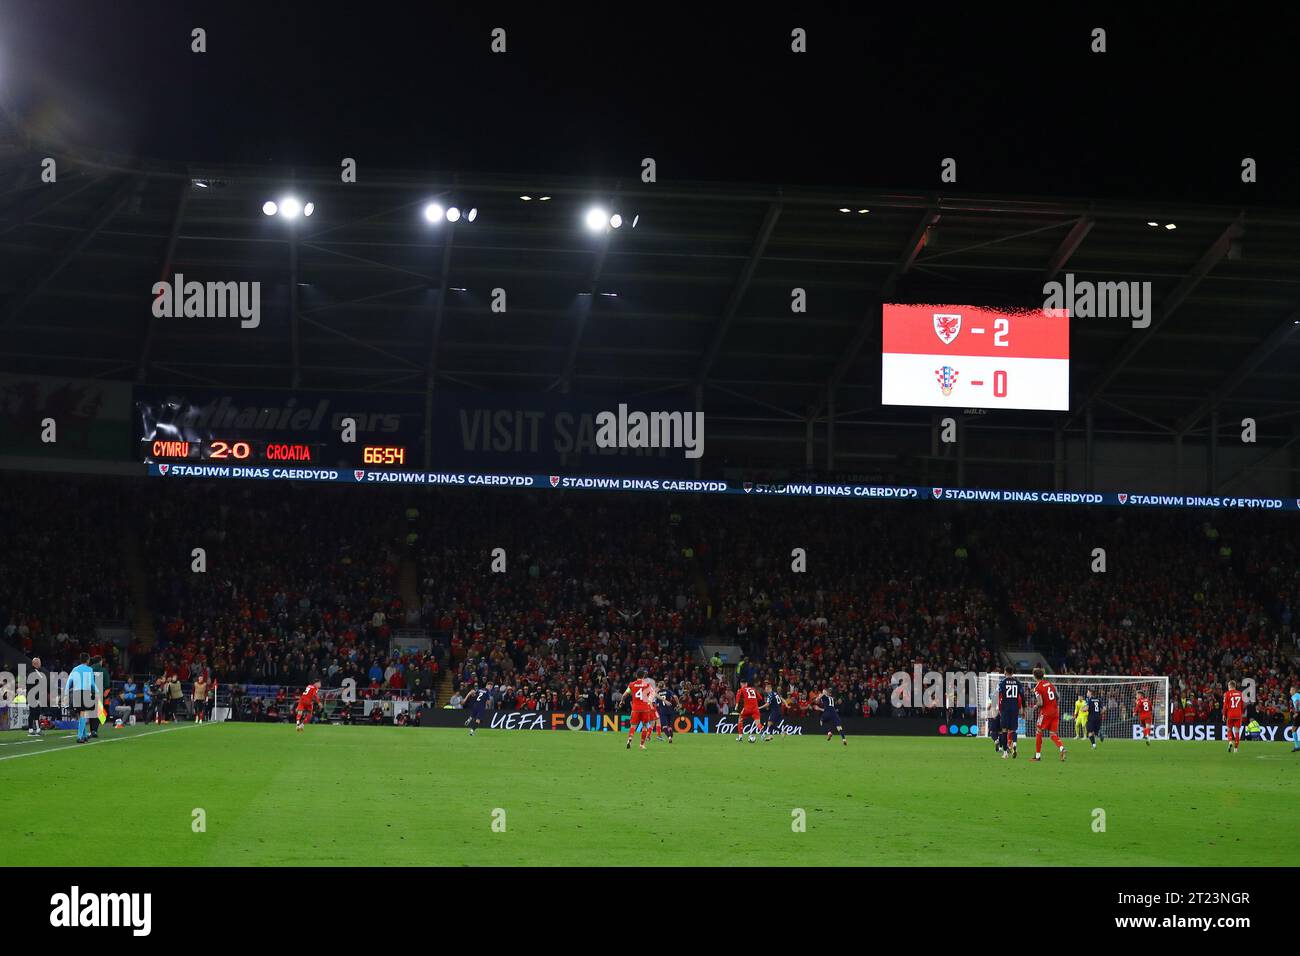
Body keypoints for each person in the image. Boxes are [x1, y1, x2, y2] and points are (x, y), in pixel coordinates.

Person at [1029, 666, 1066, 762]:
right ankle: (1062, 748)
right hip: (1055, 711)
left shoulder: (1037, 687)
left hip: (1046, 712)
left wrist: (1035, 706)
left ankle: (1037, 756)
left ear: (1034, 676)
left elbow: (1040, 702)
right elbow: (1057, 697)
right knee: (1052, 733)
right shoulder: (1049, 684)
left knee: (1038, 731)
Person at [64, 653, 97, 744]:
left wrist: (66, 695)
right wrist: (97, 692)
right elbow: (92, 684)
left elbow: (68, 683)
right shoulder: (89, 669)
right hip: (85, 692)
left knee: (80, 714)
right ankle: (79, 737)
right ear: (88, 660)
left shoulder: (75, 669)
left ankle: (85, 735)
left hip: (75, 693)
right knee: (83, 714)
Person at [620, 670, 657, 750]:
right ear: (643, 676)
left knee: (633, 726)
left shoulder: (632, 684)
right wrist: (649, 700)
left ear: (636, 675)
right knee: (644, 726)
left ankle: (630, 739)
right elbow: (653, 693)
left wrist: (621, 701)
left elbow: (624, 695)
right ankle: (641, 745)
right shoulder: (647, 684)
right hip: (645, 708)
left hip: (635, 709)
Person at [995, 666, 1023, 759]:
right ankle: (1014, 745)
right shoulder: (1018, 683)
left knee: (1004, 730)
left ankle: (1005, 753)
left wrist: (998, 709)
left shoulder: (1002, 683)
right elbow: (1022, 697)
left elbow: (998, 697)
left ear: (1005, 672)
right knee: (1013, 730)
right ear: (1013, 672)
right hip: (1015, 708)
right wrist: (1023, 709)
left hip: (1005, 709)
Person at [1222, 680, 1245, 754]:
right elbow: (1242, 705)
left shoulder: (1227, 694)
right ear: (1235, 686)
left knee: (1229, 729)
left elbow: (1225, 706)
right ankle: (1236, 749)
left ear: (1229, 686)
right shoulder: (1240, 694)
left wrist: (1224, 714)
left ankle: (1230, 741)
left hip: (1230, 715)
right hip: (1238, 715)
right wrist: (1241, 713)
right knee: (1237, 732)